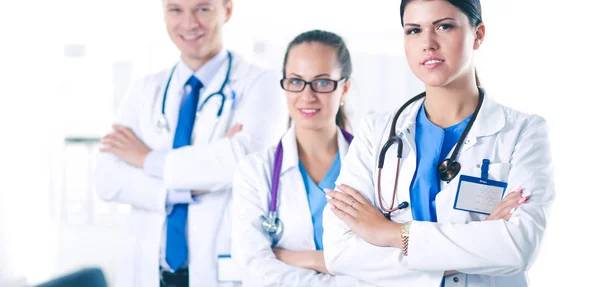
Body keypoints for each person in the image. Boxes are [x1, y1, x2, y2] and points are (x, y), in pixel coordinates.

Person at [322, 0, 554, 286]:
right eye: (414, 30)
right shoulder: (376, 132)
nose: (428, 43)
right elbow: (340, 252)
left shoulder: (523, 133)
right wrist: (475, 249)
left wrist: (390, 234)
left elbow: (517, 247)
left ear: (478, 35)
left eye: (444, 26)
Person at [94, 0, 288, 286]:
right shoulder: (144, 90)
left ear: (227, 10)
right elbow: (107, 179)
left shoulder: (260, 84)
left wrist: (146, 159)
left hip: (218, 269)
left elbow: (242, 161)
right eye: (176, 10)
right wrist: (192, 180)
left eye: (202, 9)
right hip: (148, 272)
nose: (188, 23)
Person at [231, 30, 357, 286]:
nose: (307, 95)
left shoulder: (375, 168)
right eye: (296, 81)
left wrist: (305, 258)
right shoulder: (256, 172)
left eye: (322, 82)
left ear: (344, 88)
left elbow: (390, 260)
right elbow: (253, 267)